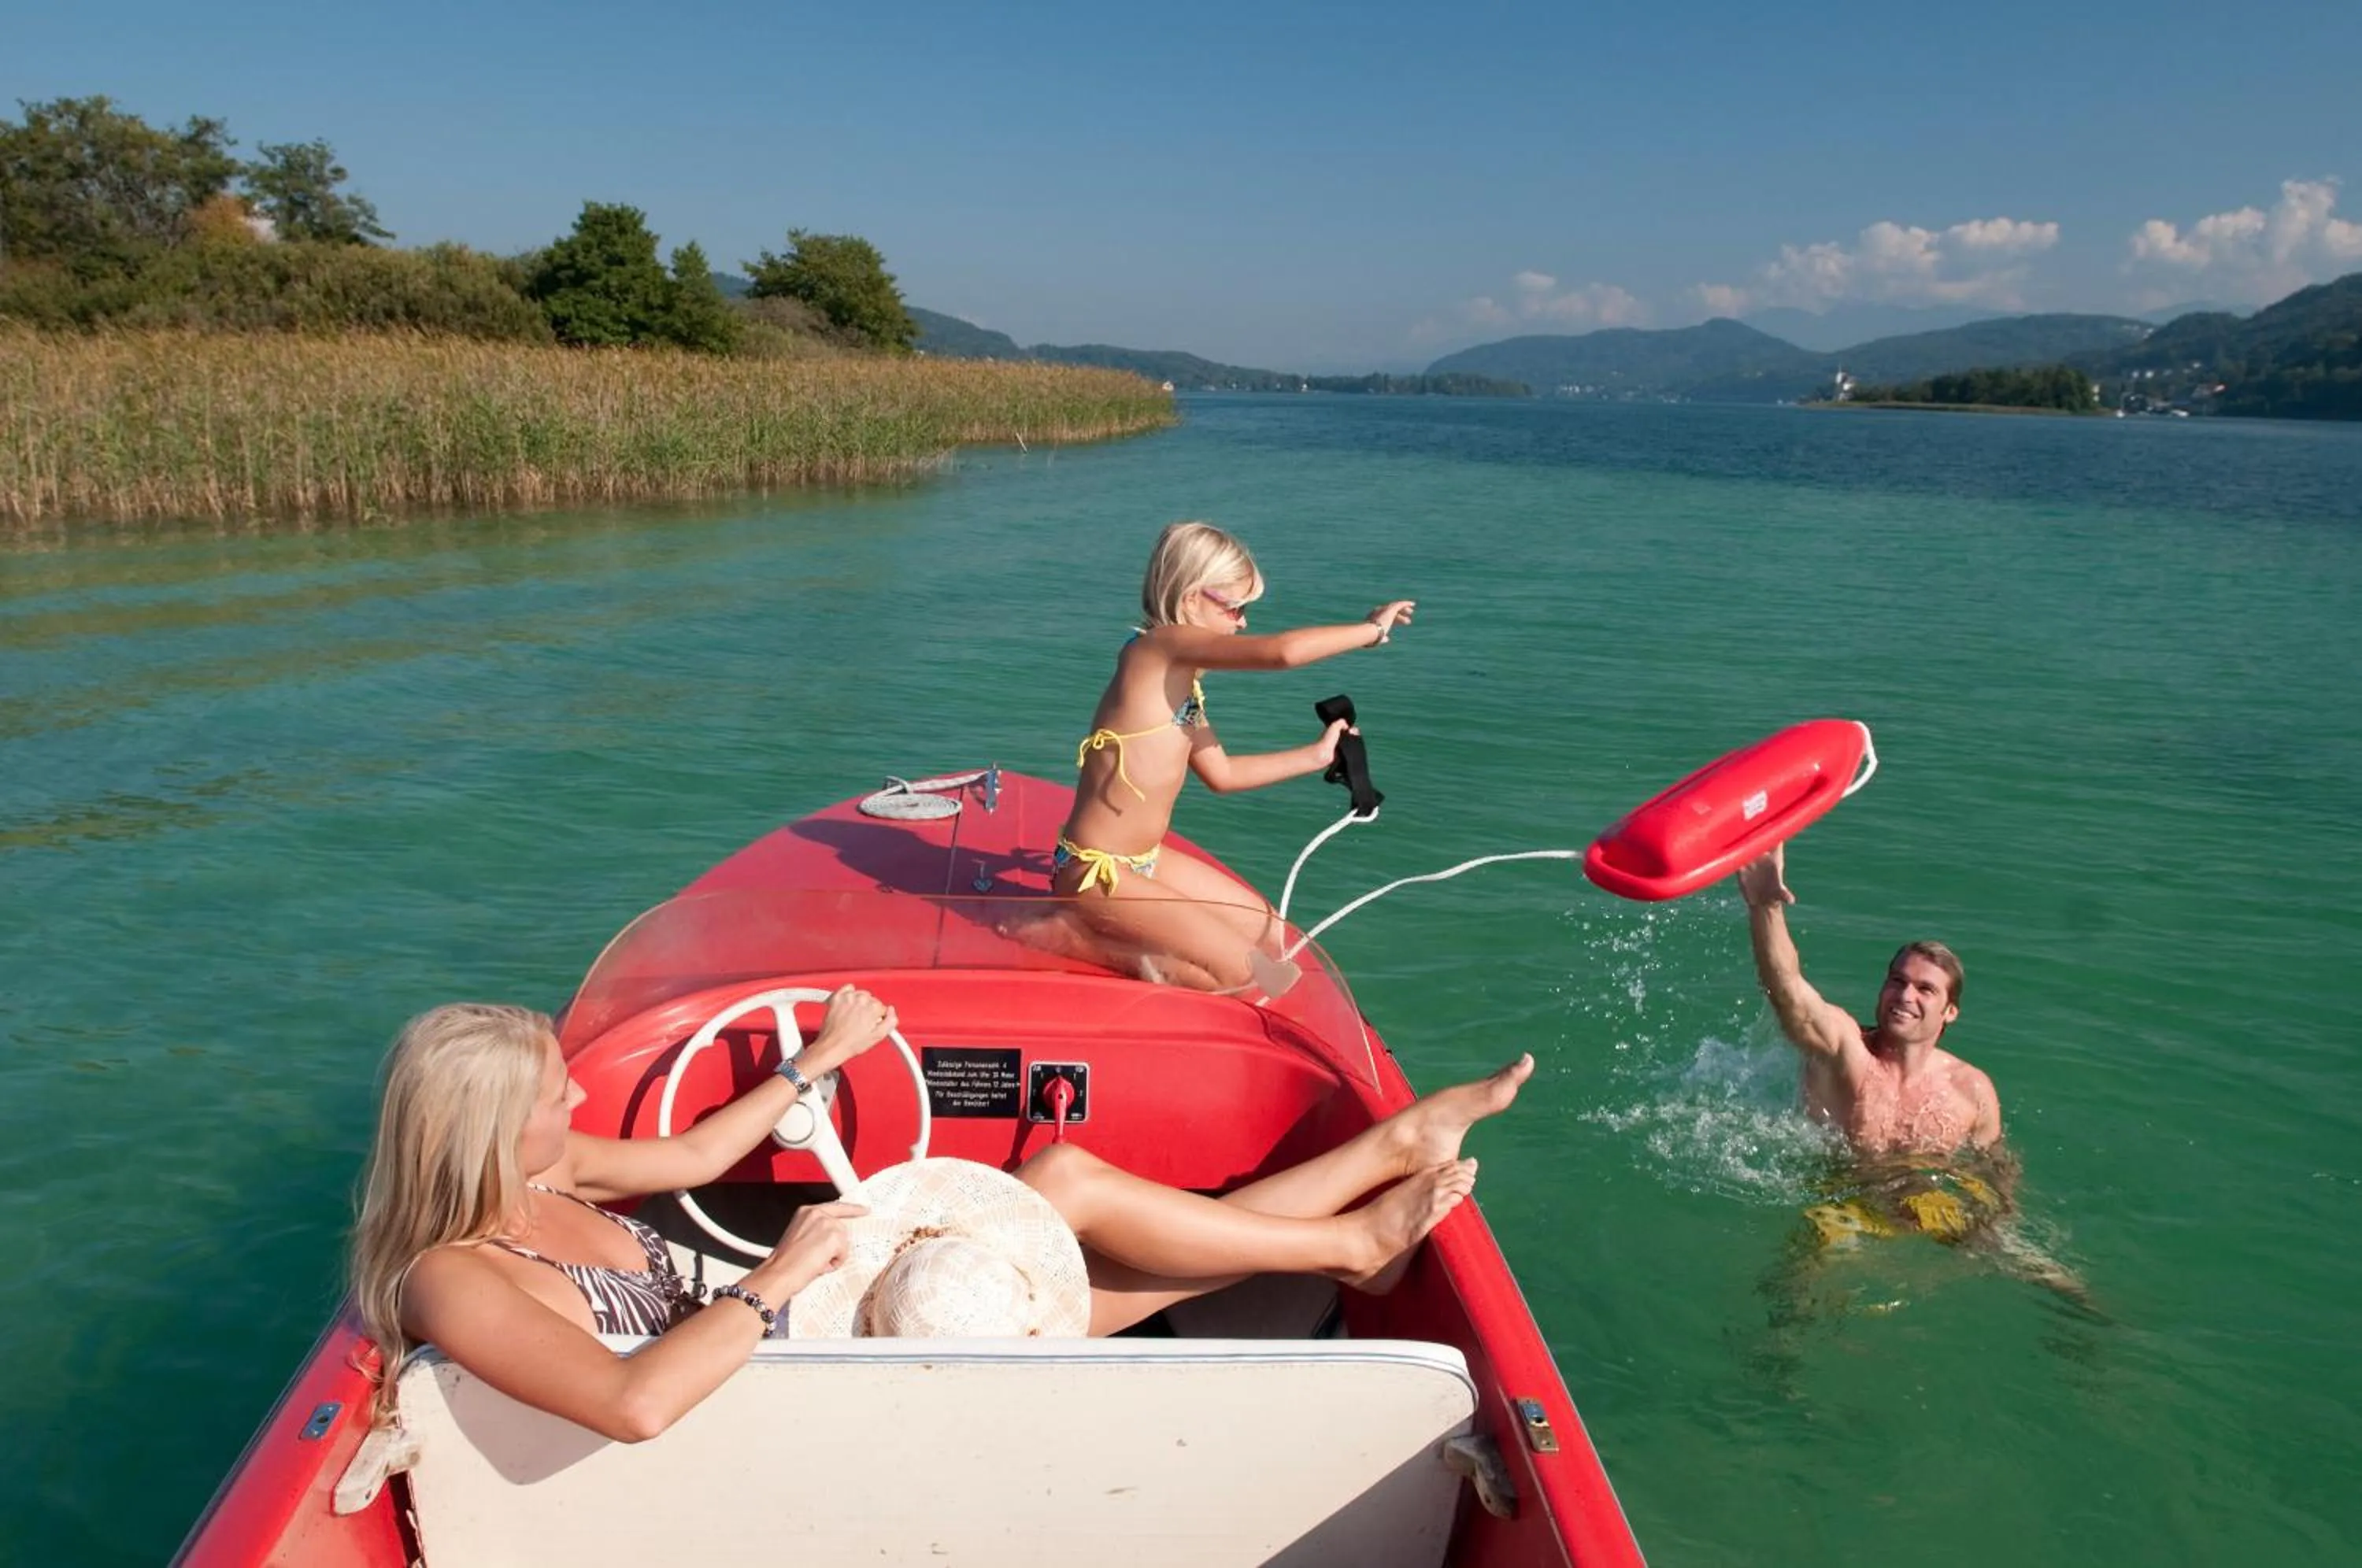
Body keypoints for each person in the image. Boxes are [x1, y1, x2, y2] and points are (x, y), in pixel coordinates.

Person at [352, 992, 1530, 1442]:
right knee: (1073, 1215)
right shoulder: (452, 1277)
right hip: (769, 1398)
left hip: (781, 1341)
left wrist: (821, 1056)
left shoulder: (543, 1177)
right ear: (487, 1130)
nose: (576, 1091)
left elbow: (705, 1151)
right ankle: (1354, 1237)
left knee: (1062, 1194)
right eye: (553, 1090)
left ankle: (1383, 1165)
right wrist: (775, 1281)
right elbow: (635, 1402)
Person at [1052, 520, 1415, 991]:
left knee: (1269, 934)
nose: (1243, 621)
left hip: (1143, 862)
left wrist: (1317, 754)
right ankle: (1071, 938)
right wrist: (1371, 630)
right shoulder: (1157, 649)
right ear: (1189, 598)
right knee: (1247, 978)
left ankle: (1109, 935)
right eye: (1235, 607)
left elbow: (1222, 774)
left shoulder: (1180, 686)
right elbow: (1280, 653)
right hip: (1096, 873)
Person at [1736, 842, 2000, 1156]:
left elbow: (1994, 1167)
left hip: (1923, 1198)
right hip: (1839, 1194)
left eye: (1925, 989)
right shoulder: (1844, 1050)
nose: (1905, 996)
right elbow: (1787, 992)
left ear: (1950, 1011)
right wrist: (1766, 907)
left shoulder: (1971, 1090)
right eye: (1897, 981)